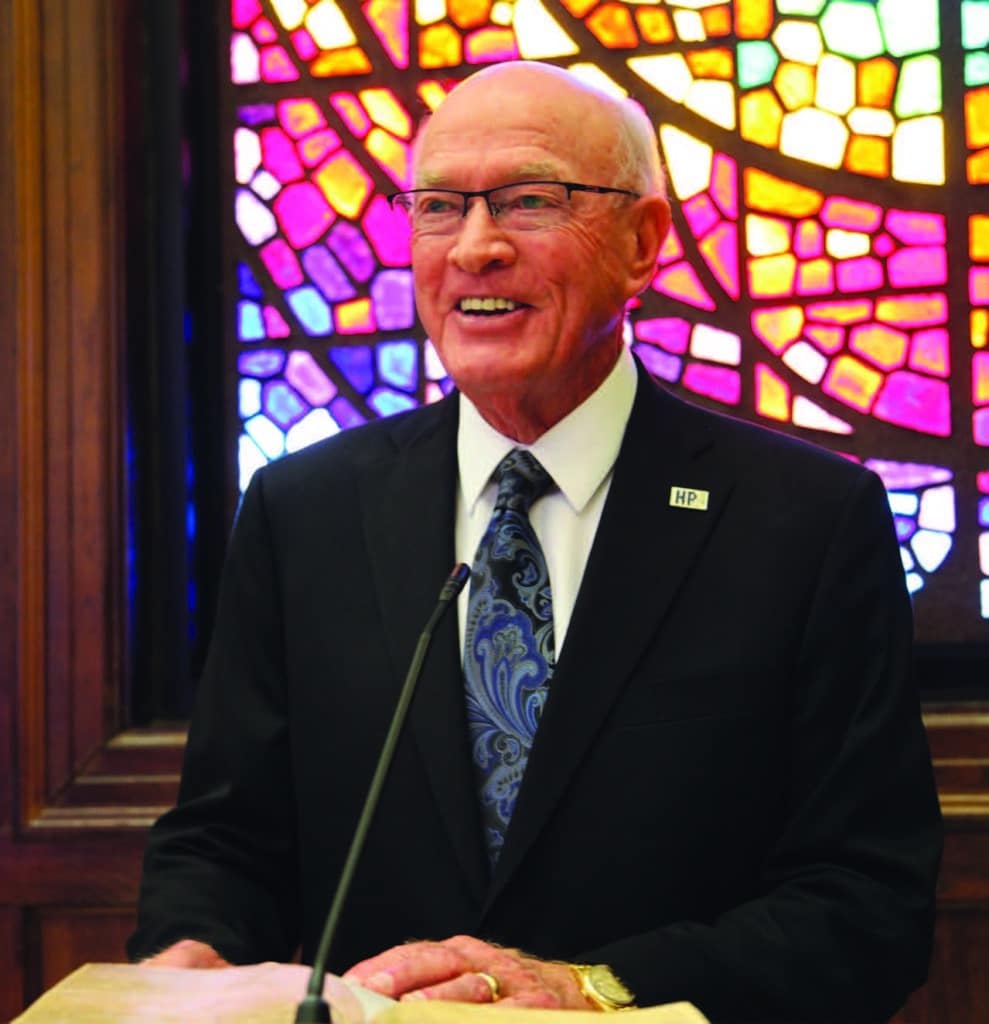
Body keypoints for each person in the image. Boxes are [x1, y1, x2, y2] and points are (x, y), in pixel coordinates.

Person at [129, 61, 942, 1021]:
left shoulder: (803, 517)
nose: (474, 248)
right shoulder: (303, 509)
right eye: (437, 207)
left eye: (527, 201)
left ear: (642, 243)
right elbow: (226, 841)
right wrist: (191, 952)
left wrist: (594, 988)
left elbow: (866, 903)